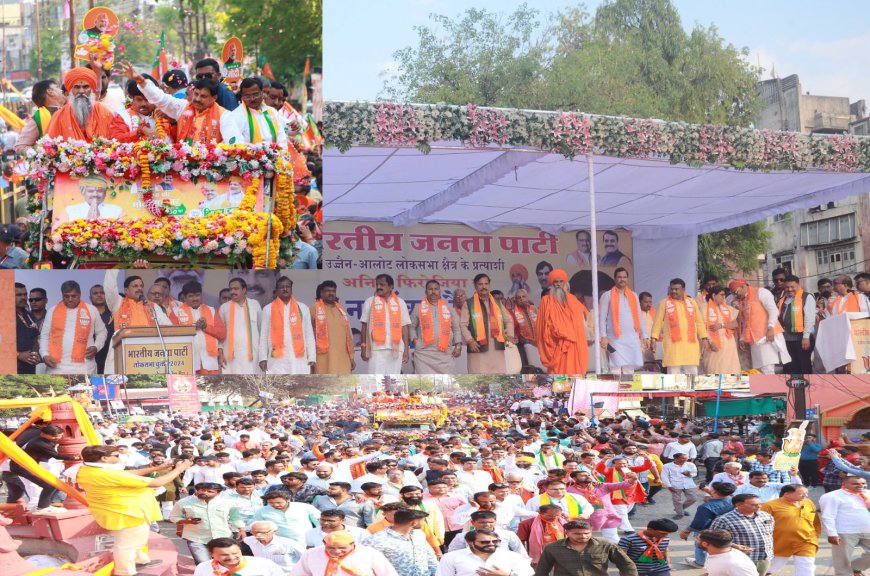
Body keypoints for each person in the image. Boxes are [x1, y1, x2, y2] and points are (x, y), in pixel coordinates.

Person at [77, 444, 192, 576]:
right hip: (126, 513)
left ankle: (139, 560)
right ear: (104, 458)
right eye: (116, 455)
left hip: (125, 510)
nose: (119, 457)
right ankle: (125, 572)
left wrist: (159, 467)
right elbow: (157, 482)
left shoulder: (89, 468)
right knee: (126, 544)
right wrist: (179, 469)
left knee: (136, 539)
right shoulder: (105, 473)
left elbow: (127, 474)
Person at [123, 62, 242, 144]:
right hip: (183, 171)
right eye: (196, 94)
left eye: (203, 96)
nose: (197, 99)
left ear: (214, 98)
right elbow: (160, 98)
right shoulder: (183, 107)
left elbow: (234, 143)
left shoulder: (224, 115)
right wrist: (140, 80)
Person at [38, 280, 107, 374]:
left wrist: (96, 347)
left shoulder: (91, 310)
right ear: (62, 295)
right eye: (66, 296)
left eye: (74, 296)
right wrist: (44, 355)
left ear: (80, 294)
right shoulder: (52, 311)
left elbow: (102, 332)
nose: (70, 299)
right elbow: (44, 336)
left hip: (85, 367)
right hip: (56, 367)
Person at [170, 482, 245, 565]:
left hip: (223, 537)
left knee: (226, 561)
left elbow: (235, 518)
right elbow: (174, 517)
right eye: (202, 490)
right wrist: (187, 521)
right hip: (196, 538)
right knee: (203, 563)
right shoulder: (183, 502)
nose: (205, 493)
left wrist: (241, 530)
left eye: (210, 491)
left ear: (218, 493)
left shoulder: (227, 503)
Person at [6, 425, 77, 511]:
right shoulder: (40, 443)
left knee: (49, 485)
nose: (59, 437)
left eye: (60, 435)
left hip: (27, 466)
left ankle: (44, 505)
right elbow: (56, 456)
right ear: (45, 434)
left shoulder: (42, 440)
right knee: (48, 486)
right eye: (57, 436)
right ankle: (42, 507)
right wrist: (74, 458)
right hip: (22, 468)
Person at [729, 279, 790, 374]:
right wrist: (742, 338)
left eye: (736, 292)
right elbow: (745, 321)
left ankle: (771, 388)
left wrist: (770, 328)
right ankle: (765, 388)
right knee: (759, 369)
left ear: (743, 286)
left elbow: (773, 311)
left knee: (767, 368)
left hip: (766, 336)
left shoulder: (761, 292)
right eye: (733, 293)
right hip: (754, 339)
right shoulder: (743, 300)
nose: (736, 295)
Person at [534, 520, 637, 576]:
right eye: (577, 534)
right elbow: (542, 570)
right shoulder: (552, 548)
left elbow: (626, 564)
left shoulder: (606, 545)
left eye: (587, 533)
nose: (583, 536)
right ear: (567, 533)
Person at [535, 268, 589, 374]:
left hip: (574, 344)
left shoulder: (573, 299)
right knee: (558, 377)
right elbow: (541, 327)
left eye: (561, 281)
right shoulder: (546, 301)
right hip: (556, 345)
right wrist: (558, 332)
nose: (558, 284)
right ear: (551, 283)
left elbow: (584, 319)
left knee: (574, 374)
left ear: (565, 283)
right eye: (555, 282)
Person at [650, 278, 709, 374]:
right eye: (672, 288)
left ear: (683, 290)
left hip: (690, 345)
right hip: (673, 345)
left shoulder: (692, 302)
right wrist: (653, 339)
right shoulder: (664, 303)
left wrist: (704, 338)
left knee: (692, 372)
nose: (673, 291)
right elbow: (657, 323)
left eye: (676, 289)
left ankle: (691, 389)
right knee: (673, 372)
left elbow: (699, 322)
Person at [759, 484, 820, 576]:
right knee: (772, 567)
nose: (806, 496)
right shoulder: (770, 505)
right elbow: (761, 525)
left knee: (807, 567)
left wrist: (816, 535)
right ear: (787, 493)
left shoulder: (808, 502)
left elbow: (816, 521)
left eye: (806, 493)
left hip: (806, 541)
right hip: (780, 542)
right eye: (802, 494)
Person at [460, 273, 516, 374]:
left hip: (496, 348)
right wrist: (470, 340)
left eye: (486, 284)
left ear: (489, 285)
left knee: (499, 376)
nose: (483, 287)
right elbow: (463, 325)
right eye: (480, 284)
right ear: (475, 285)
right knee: (479, 376)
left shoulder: (497, 303)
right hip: (477, 348)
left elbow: (508, 321)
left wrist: (510, 335)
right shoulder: (468, 303)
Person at [260, 277, 316, 374]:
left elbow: (309, 334)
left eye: (288, 287)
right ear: (277, 290)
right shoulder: (268, 309)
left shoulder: (302, 308)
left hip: (298, 358)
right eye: (282, 287)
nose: (285, 289)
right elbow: (263, 336)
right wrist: (262, 358)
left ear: (291, 289)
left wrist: (312, 356)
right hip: (277, 360)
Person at [709, 494, 774, 576]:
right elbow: (713, 538)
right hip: (739, 560)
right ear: (738, 505)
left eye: (760, 504)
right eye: (754, 505)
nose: (759, 506)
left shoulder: (766, 516)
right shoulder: (724, 519)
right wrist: (734, 545)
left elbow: (769, 534)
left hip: (764, 558)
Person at [818, 475, 870, 576]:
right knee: (842, 560)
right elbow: (828, 516)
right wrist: (831, 534)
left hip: (868, 530)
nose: (861, 486)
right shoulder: (831, 496)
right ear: (844, 484)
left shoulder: (868, 493)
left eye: (863, 483)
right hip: (845, 532)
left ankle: (856, 567)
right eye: (855, 483)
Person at [46, 66, 114, 141]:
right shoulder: (59, 116)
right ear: (70, 90)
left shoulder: (104, 112)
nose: (81, 91)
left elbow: (115, 140)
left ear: (91, 89)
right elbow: (50, 145)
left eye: (86, 87)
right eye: (77, 87)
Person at [360, 274, 411, 373]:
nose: (379, 287)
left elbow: (404, 327)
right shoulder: (370, 302)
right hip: (375, 349)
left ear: (391, 286)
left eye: (382, 284)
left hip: (396, 348)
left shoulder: (400, 303)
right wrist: (363, 346)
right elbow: (364, 325)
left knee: (393, 379)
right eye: (377, 284)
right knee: (375, 378)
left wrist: (406, 350)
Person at [599, 267, 645, 374]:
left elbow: (639, 316)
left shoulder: (633, 295)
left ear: (627, 279)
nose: (622, 279)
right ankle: (616, 390)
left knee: (629, 367)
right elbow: (602, 318)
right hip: (614, 339)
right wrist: (603, 336)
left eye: (624, 277)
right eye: (619, 277)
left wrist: (645, 335)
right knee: (615, 366)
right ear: (615, 279)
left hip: (631, 338)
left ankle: (628, 389)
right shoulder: (607, 295)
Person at [679, 482, 736, 569]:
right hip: (726, 530)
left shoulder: (706, 507)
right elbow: (719, 496)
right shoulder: (732, 500)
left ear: (714, 491)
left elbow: (699, 524)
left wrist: (686, 531)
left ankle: (700, 563)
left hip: (708, 531)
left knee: (700, 546)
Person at [291, 530, 398, 576]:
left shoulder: (370, 553)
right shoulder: (311, 554)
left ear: (352, 544)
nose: (336, 551)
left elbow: (388, 574)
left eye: (342, 548)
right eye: (331, 548)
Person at [410, 279, 463, 373]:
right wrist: (415, 341)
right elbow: (411, 327)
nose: (433, 292)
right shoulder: (418, 308)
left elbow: (456, 329)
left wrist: (458, 345)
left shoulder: (449, 308)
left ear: (439, 291)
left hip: (444, 354)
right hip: (424, 354)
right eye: (430, 289)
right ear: (426, 292)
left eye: (436, 289)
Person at [173, 281, 225, 374]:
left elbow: (222, 334)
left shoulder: (212, 310)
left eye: (197, 295)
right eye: (191, 296)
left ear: (201, 296)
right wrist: (193, 328)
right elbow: (172, 335)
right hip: (187, 360)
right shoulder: (176, 312)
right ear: (184, 298)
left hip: (210, 362)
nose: (195, 299)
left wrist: (205, 327)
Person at [366, 508, 438, 576]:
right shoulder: (376, 540)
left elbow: (430, 557)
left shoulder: (419, 534)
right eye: (423, 520)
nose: (423, 523)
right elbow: (366, 565)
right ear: (414, 523)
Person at [439, 529, 535, 576]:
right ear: (470, 542)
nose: (491, 544)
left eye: (495, 541)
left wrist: (506, 575)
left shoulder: (511, 556)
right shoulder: (451, 557)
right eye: (484, 542)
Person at [224, 77, 288, 146]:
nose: (252, 99)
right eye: (247, 96)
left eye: (255, 94)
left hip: (276, 155)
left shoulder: (273, 112)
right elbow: (235, 144)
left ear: (262, 93)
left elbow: (282, 140)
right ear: (242, 97)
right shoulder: (234, 116)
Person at [219, 277, 262, 374]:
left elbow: (261, 329)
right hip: (230, 357)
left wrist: (263, 355)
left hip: (252, 356)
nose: (232, 291)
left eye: (236, 289)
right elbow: (220, 334)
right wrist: (220, 353)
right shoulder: (224, 308)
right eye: (231, 289)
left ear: (244, 289)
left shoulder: (255, 305)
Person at [311, 280, 355, 374]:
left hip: (343, 357)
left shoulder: (341, 309)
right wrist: (310, 357)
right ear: (321, 292)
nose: (331, 293)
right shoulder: (313, 309)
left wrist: (351, 357)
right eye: (328, 291)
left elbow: (349, 335)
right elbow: (307, 334)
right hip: (323, 358)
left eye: (333, 291)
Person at [777, 275, 816, 373]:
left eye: (792, 287)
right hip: (786, 339)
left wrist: (806, 337)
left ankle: (805, 388)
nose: (789, 289)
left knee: (803, 366)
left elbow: (809, 318)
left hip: (802, 339)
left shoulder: (807, 297)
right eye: (787, 287)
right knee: (789, 366)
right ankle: (790, 388)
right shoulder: (782, 298)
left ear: (798, 285)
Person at [253, 490, 321, 546]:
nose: (275, 505)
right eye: (271, 503)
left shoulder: (304, 507)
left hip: (305, 541)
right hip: (279, 543)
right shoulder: (261, 511)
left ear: (288, 499)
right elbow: (257, 526)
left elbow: (319, 522)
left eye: (279, 502)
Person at [110, 76, 168, 142]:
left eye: (147, 100)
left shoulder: (164, 116)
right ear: (132, 99)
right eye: (139, 100)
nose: (143, 104)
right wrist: (140, 131)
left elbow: (177, 137)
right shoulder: (122, 117)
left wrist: (172, 121)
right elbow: (117, 139)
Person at [15, 79, 65, 152]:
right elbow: (21, 146)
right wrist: (42, 153)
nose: (61, 91)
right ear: (50, 92)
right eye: (57, 87)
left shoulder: (68, 110)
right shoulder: (39, 117)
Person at [193, 537, 285, 576]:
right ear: (211, 554)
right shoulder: (203, 567)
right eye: (224, 555)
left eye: (235, 553)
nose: (231, 557)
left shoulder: (263, 563)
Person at [701, 287, 741, 374]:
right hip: (713, 343)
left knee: (731, 369)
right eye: (722, 295)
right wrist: (710, 342)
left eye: (724, 295)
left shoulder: (727, 308)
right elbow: (702, 328)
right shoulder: (704, 308)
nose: (724, 297)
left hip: (728, 342)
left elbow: (735, 324)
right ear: (714, 295)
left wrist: (721, 325)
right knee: (714, 370)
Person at [60, 174, 125, 222]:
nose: (95, 194)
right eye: (90, 191)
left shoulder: (117, 211)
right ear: (83, 192)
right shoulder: (70, 211)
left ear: (105, 193)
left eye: (99, 191)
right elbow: (58, 232)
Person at [509, 289, 542, 370]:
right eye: (519, 297)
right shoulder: (513, 312)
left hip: (539, 343)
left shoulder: (534, 309)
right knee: (528, 367)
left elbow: (542, 324)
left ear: (527, 298)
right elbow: (514, 330)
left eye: (523, 296)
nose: (521, 299)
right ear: (516, 300)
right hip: (524, 344)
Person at [660, 453, 698, 520]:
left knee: (693, 498)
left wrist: (690, 475)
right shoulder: (667, 466)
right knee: (677, 500)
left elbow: (695, 473)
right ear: (676, 458)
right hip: (675, 484)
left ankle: (679, 509)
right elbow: (664, 476)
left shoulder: (690, 464)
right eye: (682, 458)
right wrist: (669, 486)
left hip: (688, 483)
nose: (685, 460)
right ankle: (680, 513)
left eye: (686, 458)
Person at [733, 469, 802, 502]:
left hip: (774, 510)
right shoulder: (741, 489)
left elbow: (796, 486)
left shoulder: (773, 485)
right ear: (750, 478)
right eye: (757, 478)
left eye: (764, 478)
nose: (761, 480)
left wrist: (794, 476)